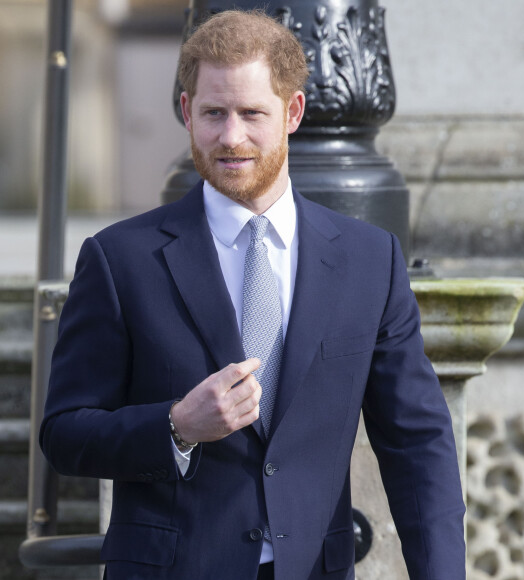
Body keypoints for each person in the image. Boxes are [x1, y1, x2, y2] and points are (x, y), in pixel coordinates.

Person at [40, 9, 465, 580]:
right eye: (213, 113)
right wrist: (175, 426)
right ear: (188, 113)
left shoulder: (371, 261)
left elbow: (418, 446)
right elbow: (65, 433)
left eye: (251, 114)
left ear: (292, 113)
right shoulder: (119, 259)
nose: (230, 137)